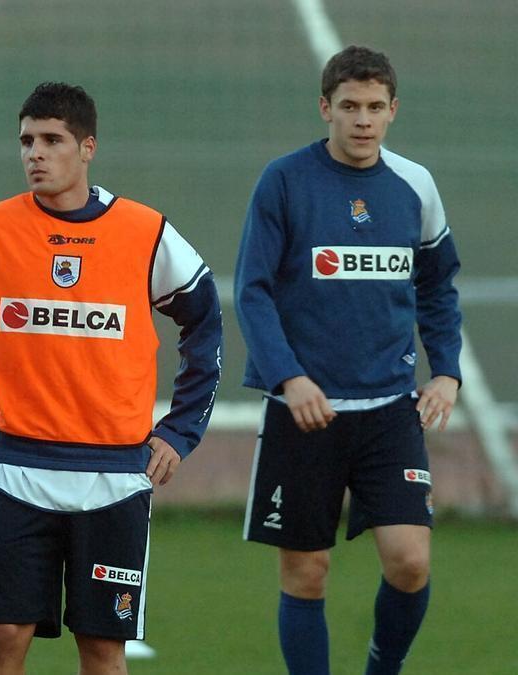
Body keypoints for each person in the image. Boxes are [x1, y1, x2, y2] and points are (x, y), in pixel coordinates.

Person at [0, 82, 223, 675]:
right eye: (26, 141)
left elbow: (205, 321)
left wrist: (180, 429)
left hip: (115, 479)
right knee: (5, 638)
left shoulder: (144, 231)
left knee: (101, 649)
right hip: (19, 471)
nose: (34, 154)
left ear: (87, 146)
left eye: (51, 140)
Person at [235, 45, 461, 675]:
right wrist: (289, 375)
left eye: (374, 107)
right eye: (349, 106)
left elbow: (437, 286)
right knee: (307, 572)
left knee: (411, 561)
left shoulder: (415, 185)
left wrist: (444, 370)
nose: (362, 120)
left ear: (393, 112)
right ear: (325, 108)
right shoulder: (284, 181)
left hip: (391, 410)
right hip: (303, 411)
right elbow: (251, 288)